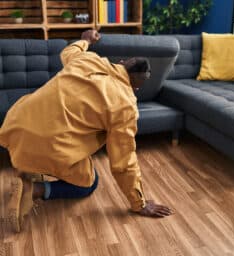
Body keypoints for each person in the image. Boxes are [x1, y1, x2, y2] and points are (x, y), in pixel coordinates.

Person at [0, 30, 172, 233]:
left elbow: (68, 52)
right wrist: (139, 203)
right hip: (50, 146)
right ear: (135, 88)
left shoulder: (89, 60)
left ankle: (26, 170)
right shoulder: (126, 105)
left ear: (122, 62)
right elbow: (123, 162)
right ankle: (35, 189)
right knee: (89, 183)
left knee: (45, 139)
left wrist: (85, 40)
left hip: (15, 124)